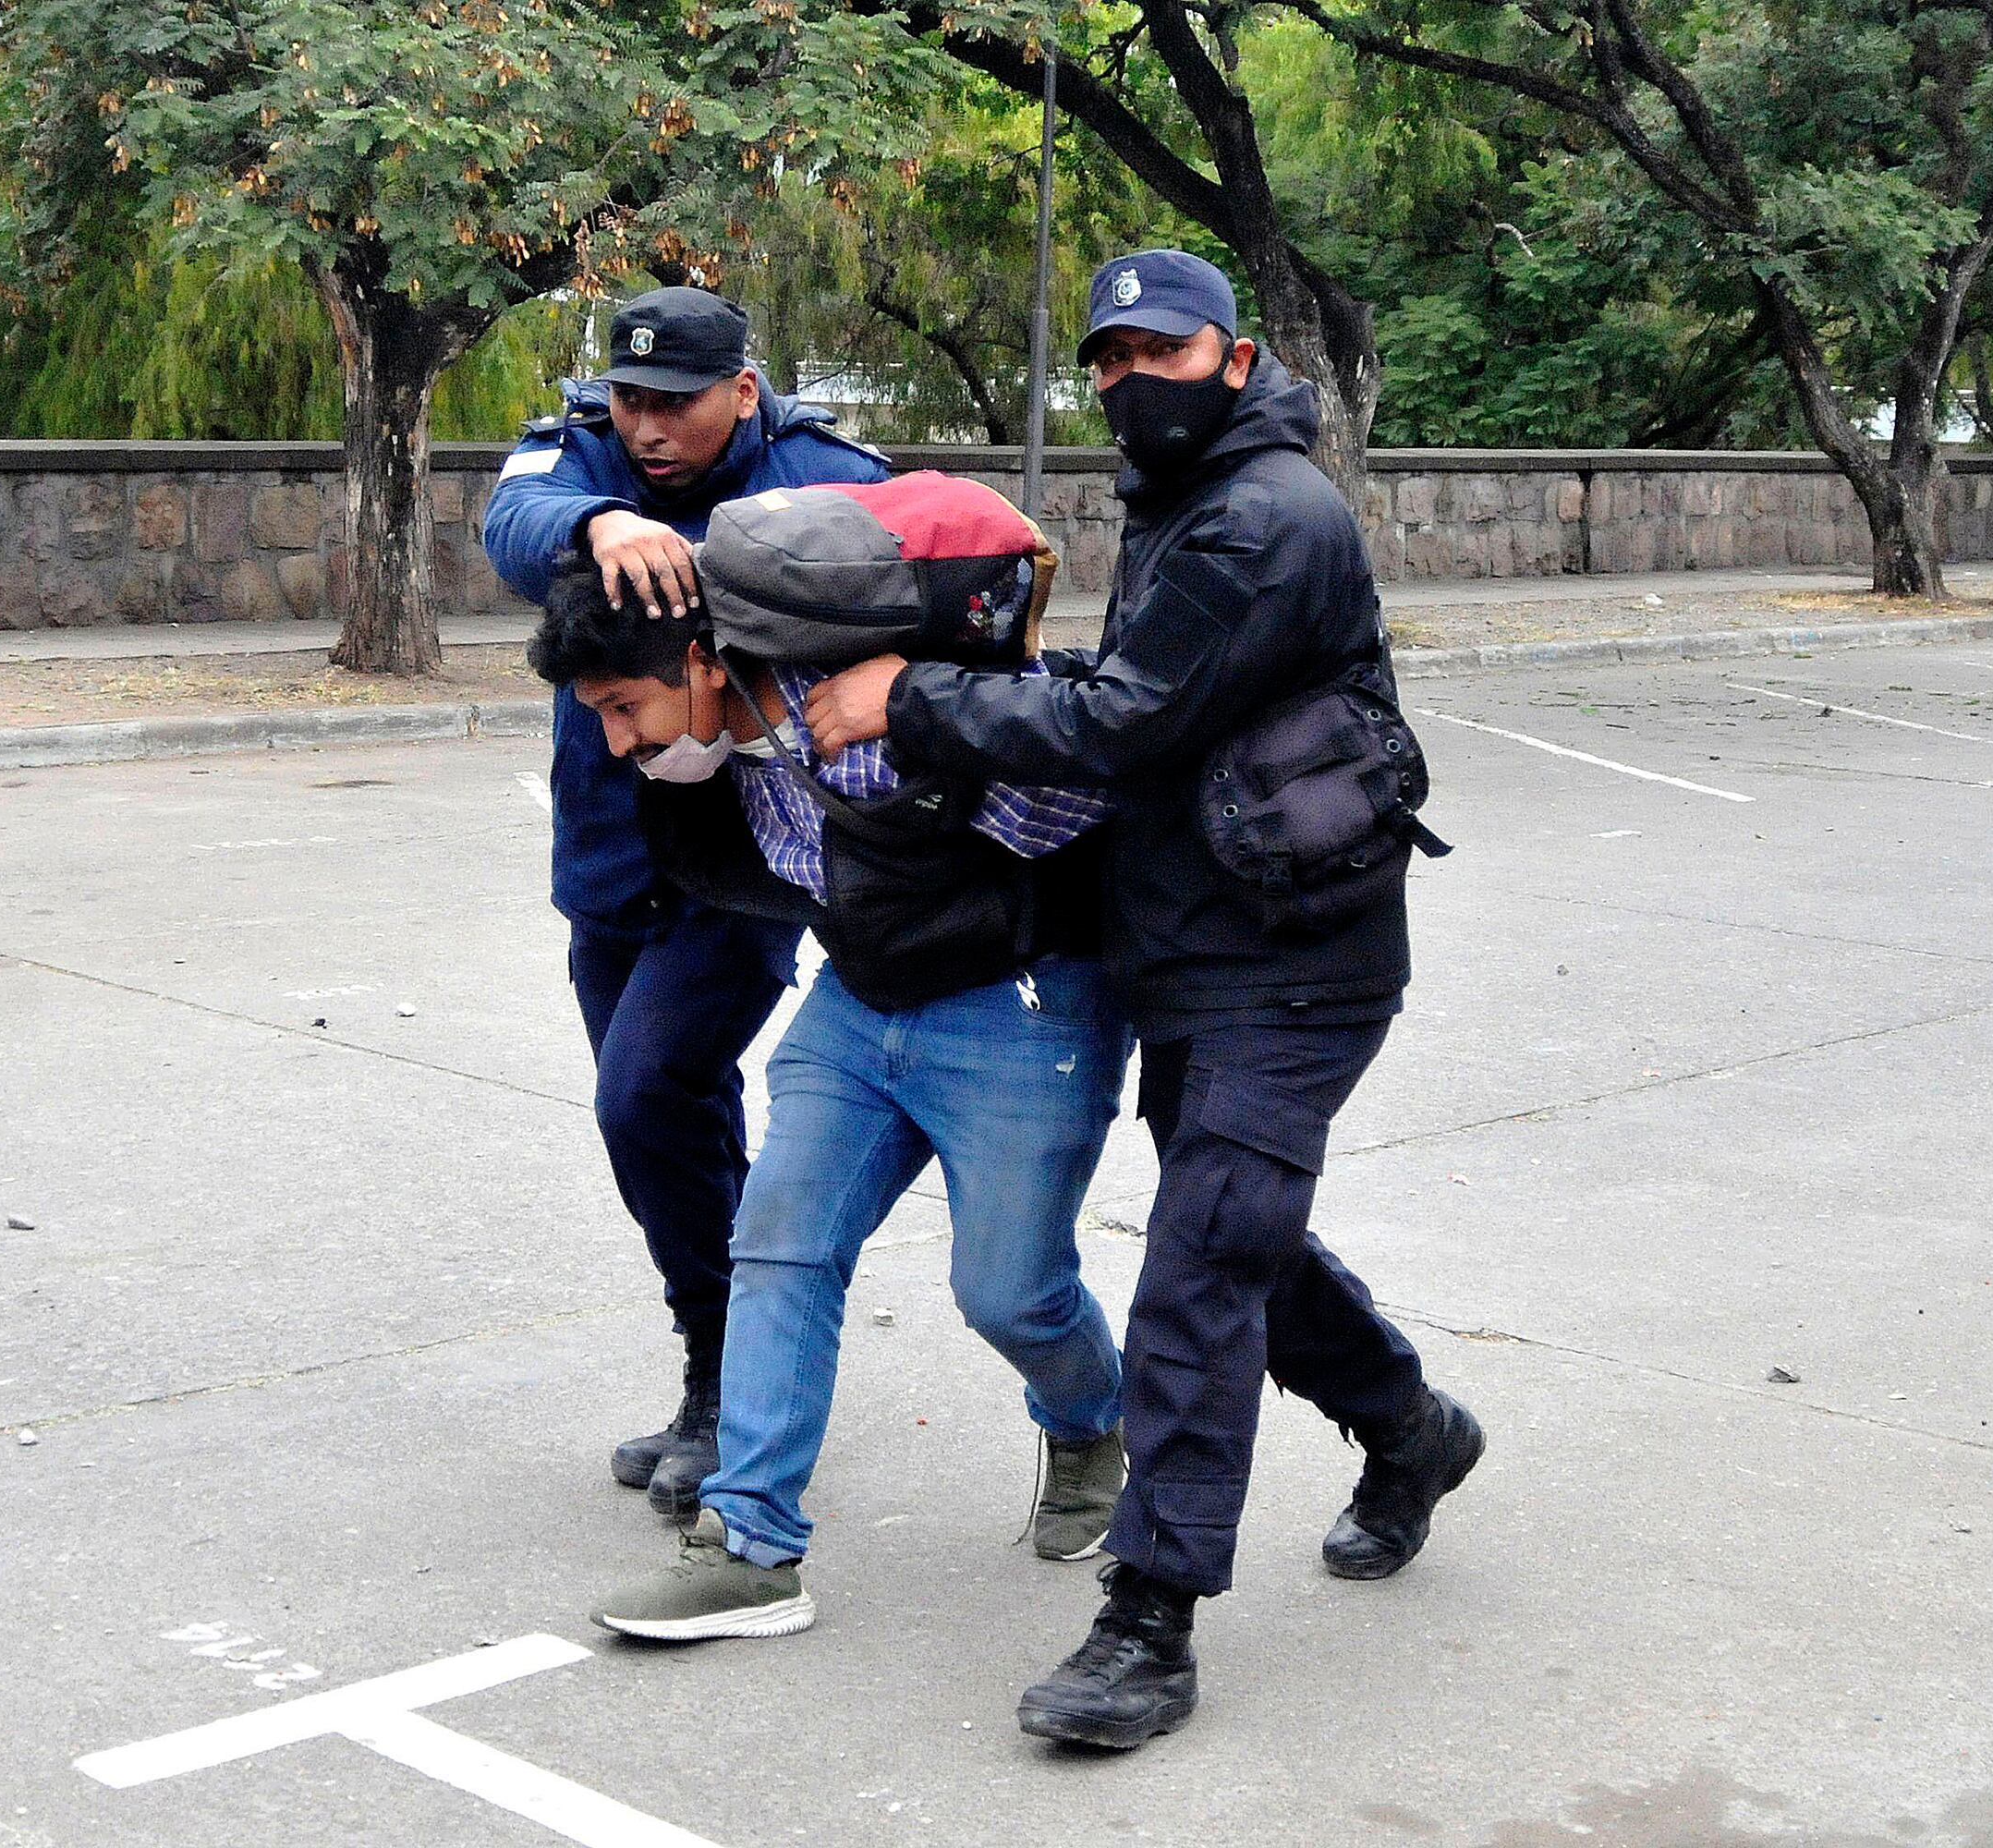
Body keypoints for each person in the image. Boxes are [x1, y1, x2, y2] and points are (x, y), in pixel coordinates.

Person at [803, 249, 1483, 1748]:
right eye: (1106, 357)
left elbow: (1119, 723)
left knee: (1196, 1264)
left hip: (1295, 963)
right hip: (1199, 946)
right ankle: (1410, 1430)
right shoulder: (1187, 494)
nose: (1125, 377)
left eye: (1157, 353)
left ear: (1233, 362)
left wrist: (909, 699)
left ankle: (1148, 1627)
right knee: (1239, 1239)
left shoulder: (1261, 519)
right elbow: (1151, 714)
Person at [521, 557, 1136, 1642]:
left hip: (1021, 999)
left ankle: (1091, 1419)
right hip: (858, 1001)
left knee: (1010, 1291)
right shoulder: (702, 755)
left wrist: (937, 721)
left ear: (704, 665)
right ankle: (751, 1545)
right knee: (779, 1243)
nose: (617, 738)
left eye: (625, 706)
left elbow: (1090, 779)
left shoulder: (860, 708)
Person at [482, 286, 890, 1520]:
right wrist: (600, 519)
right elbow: (510, 520)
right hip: (609, 854)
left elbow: (906, 557)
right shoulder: (583, 452)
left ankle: (730, 1381)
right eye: (632, 399)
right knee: (666, 1116)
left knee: (647, 1088)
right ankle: (724, 1367)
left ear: (745, 393)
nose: (650, 425)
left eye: (679, 403)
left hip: (743, 866)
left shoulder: (814, 465)